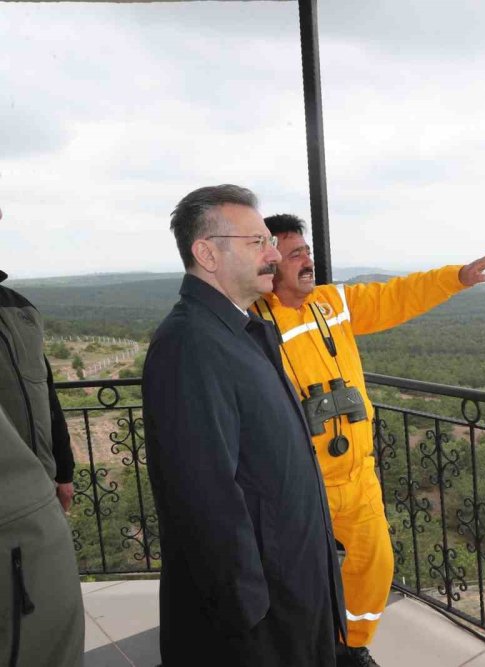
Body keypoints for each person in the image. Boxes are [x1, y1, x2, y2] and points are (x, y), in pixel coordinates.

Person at [254, 212, 485, 666]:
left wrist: (457, 278)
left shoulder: (332, 304)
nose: (306, 262)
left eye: (307, 252)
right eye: (294, 255)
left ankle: (349, 647)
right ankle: (300, 649)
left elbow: (395, 296)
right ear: (270, 263)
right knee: (296, 578)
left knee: (373, 565)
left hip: (356, 475)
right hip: (299, 483)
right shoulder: (253, 322)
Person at [142, 186, 347, 666]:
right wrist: (251, 615)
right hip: (257, 620)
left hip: (288, 593)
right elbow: (202, 498)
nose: (274, 254)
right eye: (258, 242)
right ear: (207, 253)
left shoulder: (239, 330)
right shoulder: (190, 345)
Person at [1, 204, 84, 667]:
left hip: (41, 493)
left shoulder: (19, 308)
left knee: (45, 622)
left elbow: (45, 394)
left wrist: (64, 472)